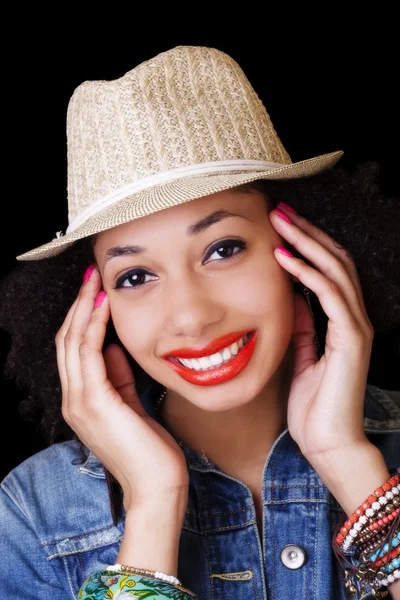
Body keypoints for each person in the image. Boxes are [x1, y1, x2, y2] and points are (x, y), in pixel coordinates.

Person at [0, 45, 399, 600]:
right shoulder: (33, 513)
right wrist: (153, 502)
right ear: (91, 308)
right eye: (136, 277)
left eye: (223, 248)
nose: (190, 316)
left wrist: (349, 463)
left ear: (306, 246)